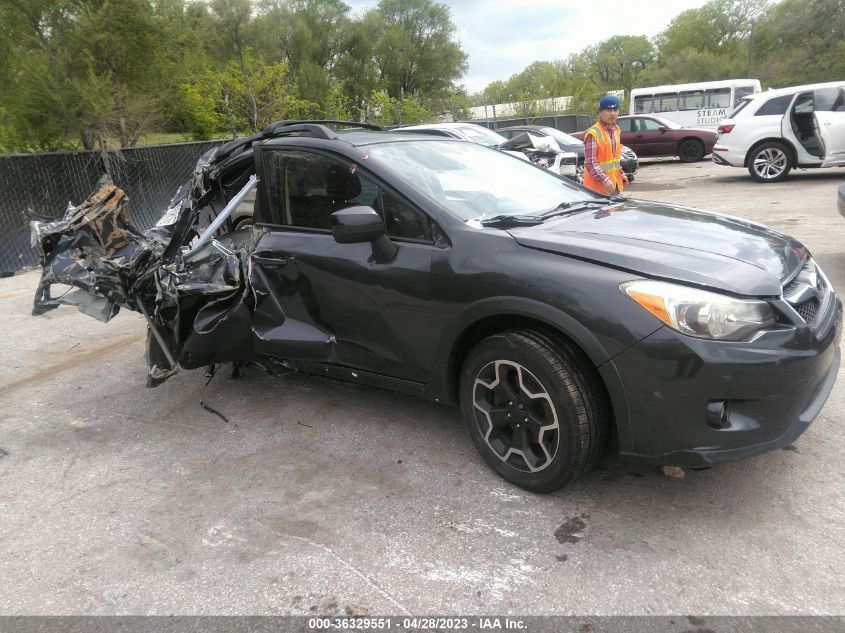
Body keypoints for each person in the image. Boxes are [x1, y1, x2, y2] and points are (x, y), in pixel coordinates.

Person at [582, 95, 628, 195]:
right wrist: (605, 180)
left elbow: (614, 160)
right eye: (608, 110)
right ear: (600, 112)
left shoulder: (616, 131)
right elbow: (590, 163)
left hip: (614, 187)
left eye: (615, 110)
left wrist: (621, 174)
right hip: (597, 191)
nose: (612, 114)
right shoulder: (593, 133)